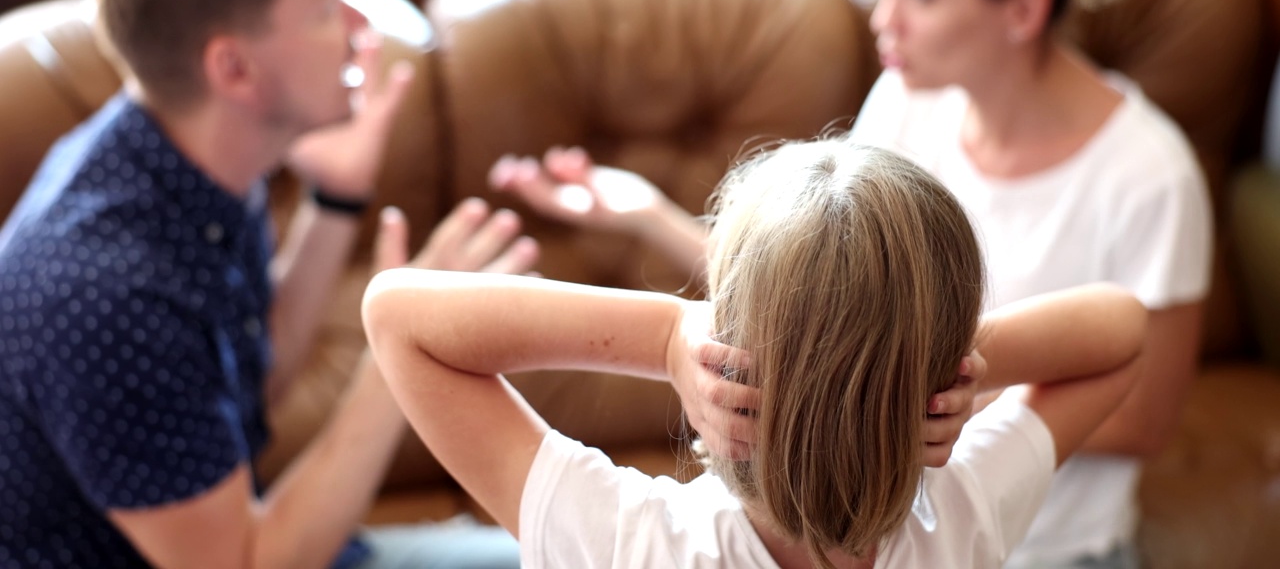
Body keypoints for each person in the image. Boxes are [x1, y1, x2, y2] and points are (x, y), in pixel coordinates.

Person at [489, 0, 1212, 565]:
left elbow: (1144, 420)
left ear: (1024, 6)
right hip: (896, 514)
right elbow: (829, 283)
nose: (882, 19)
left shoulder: (1150, 174)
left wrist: (923, 389)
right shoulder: (906, 103)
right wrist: (648, 217)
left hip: (1051, 543)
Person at [0, 0, 540, 569]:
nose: (357, 26)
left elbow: (249, 381)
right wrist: (403, 352)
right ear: (233, 68)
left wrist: (336, 201)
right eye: (323, 8)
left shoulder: (188, 159)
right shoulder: (102, 291)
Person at [365, 140, 1148, 569]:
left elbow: (397, 315)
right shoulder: (964, 516)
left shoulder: (633, 544)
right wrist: (922, 369)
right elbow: (1121, 331)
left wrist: (668, 338)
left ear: (727, 347)